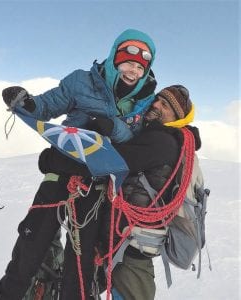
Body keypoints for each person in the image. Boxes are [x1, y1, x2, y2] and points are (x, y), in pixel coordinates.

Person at [0, 28, 157, 300]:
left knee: (80, 263)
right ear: (115, 58)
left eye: (140, 67)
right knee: (31, 244)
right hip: (60, 171)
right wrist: (25, 103)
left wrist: (113, 127)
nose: (133, 71)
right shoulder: (81, 81)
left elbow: (141, 136)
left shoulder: (145, 99)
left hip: (97, 185)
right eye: (128, 62)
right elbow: (47, 105)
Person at [38, 85, 201, 300]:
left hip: (130, 245)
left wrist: (54, 161)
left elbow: (109, 162)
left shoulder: (162, 141)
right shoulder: (171, 139)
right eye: (158, 100)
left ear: (177, 117)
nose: (156, 105)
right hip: (130, 240)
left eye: (165, 105)